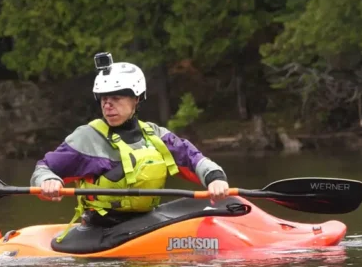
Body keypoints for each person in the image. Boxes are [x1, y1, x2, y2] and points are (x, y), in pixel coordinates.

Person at [32, 53, 230, 238]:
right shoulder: (87, 138)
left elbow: (194, 160)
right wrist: (48, 181)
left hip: (145, 223)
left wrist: (215, 179)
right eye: (104, 99)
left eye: (116, 98)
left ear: (136, 99)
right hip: (100, 230)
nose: (107, 105)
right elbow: (45, 167)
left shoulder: (156, 137)